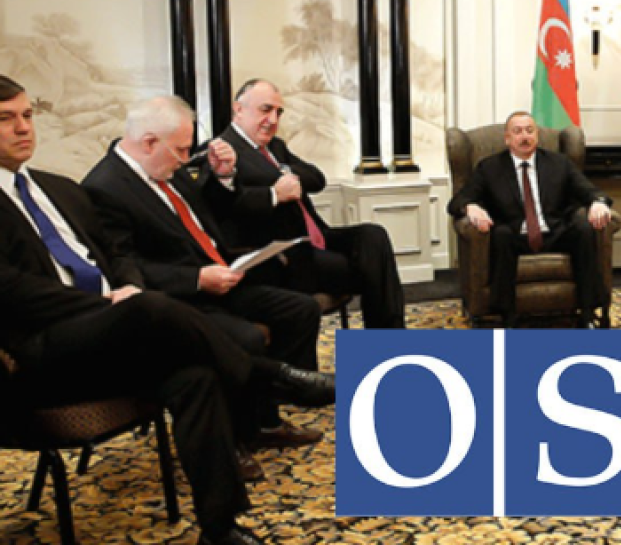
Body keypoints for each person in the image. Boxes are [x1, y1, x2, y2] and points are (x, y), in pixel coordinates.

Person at [0, 74, 332, 545]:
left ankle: (220, 528)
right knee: (152, 308)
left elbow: (115, 257)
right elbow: (11, 291)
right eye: (6, 119)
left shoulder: (58, 189)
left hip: (114, 330)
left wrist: (126, 289)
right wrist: (107, 302)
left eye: (27, 115)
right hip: (44, 350)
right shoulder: (92, 186)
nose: (23, 128)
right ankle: (270, 375)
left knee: (196, 376)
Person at [82, 95, 325, 451]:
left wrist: (223, 176)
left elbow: (208, 213)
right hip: (182, 297)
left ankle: (265, 415)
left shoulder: (165, 166)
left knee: (301, 309)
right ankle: (237, 435)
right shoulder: (104, 187)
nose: (186, 159)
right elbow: (125, 266)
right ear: (149, 142)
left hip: (221, 276)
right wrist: (196, 279)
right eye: (181, 150)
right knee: (246, 338)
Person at [216, 78, 405, 329]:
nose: (273, 120)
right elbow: (227, 205)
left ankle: (388, 338)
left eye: (278, 112)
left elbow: (317, 178)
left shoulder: (275, 147)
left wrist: (284, 171)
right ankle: (388, 340)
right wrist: (274, 194)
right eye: (266, 110)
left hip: (318, 237)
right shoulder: (222, 153)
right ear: (238, 109)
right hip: (286, 253)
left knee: (373, 236)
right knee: (373, 270)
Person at [447, 111, 613, 328]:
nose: (524, 136)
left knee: (584, 229)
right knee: (501, 235)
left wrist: (598, 202)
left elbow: (589, 190)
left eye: (529, 131)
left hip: (553, 231)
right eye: (517, 132)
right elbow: (457, 201)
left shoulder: (559, 163)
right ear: (507, 139)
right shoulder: (490, 168)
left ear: (537, 136)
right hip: (514, 235)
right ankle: (507, 317)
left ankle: (588, 313)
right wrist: (470, 206)